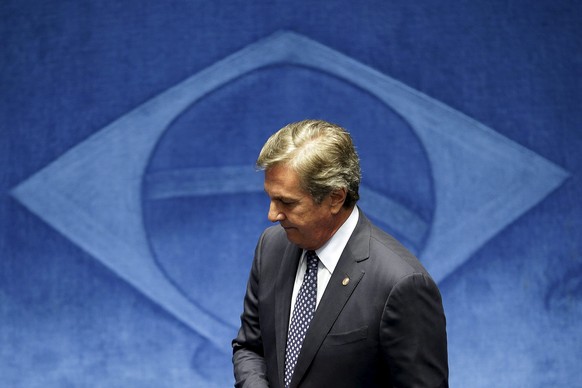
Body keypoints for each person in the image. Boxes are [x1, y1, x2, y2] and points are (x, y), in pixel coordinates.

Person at [232, 119, 448, 387]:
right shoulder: (271, 247)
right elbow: (251, 348)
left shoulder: (402, 285)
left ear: (335, 197)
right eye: (271, 198)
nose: (272, 214)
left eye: (287, 202)